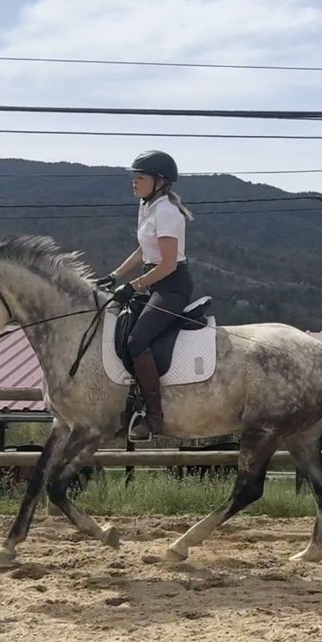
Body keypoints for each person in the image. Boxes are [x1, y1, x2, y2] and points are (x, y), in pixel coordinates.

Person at [94, 149, 194, 438]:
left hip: (172, 286)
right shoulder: (148, 208)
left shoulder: (167, 212)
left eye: (140, 177)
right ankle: (130, 404)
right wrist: (114, 276)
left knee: (137, 340)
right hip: (154, 282)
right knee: (120, 329)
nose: (134, 183)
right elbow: (142, 251)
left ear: (159, 181)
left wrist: (133, 285)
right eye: (134, 177)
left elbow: (168, 264)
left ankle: (154, 417)